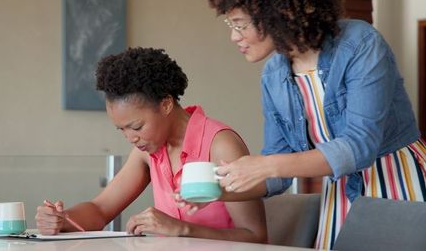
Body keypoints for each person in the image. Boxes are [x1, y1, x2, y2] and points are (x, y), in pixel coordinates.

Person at [203, 0, 426, 249]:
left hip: (398, 183)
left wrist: (264, 166)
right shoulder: (273, 75)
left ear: (281, 13)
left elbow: (360, 145)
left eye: (240, 25)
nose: (234, 36)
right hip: (340, 194)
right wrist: (216, 192)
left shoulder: (360, 43)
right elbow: (278, 172)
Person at [35, 47, 268, 243]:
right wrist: (62, 219)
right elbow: (101, 209)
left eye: (136, 127)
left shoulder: (220, 145)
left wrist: (182, 229)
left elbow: (255, 236)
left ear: (166, 104)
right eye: (122, 130)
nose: (131, 138)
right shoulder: (147, 151)